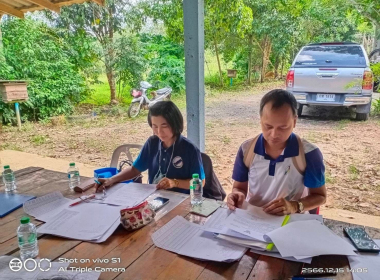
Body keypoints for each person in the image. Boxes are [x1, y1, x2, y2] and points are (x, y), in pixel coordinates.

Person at [227, 89, 326, 215]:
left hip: (290, 220)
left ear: (294, 121)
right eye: (268, 126)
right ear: (260, 120)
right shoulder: (247, 150)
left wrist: (294, 206)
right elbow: (239, 187)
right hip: (254, 217)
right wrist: (236, 195)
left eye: (283, 127)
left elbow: (320, 196)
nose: (274, 134)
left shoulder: (308, 154)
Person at [95, 101, 205, 194]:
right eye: (154, 126)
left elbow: (201, 182)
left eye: (164, 126)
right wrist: (111, 180)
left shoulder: (189, 149)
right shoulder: (152, 143)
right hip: (155, 198)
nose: (159, 132)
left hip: (180, 201)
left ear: (175, 123)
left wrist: (174, 182)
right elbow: (135, 169)